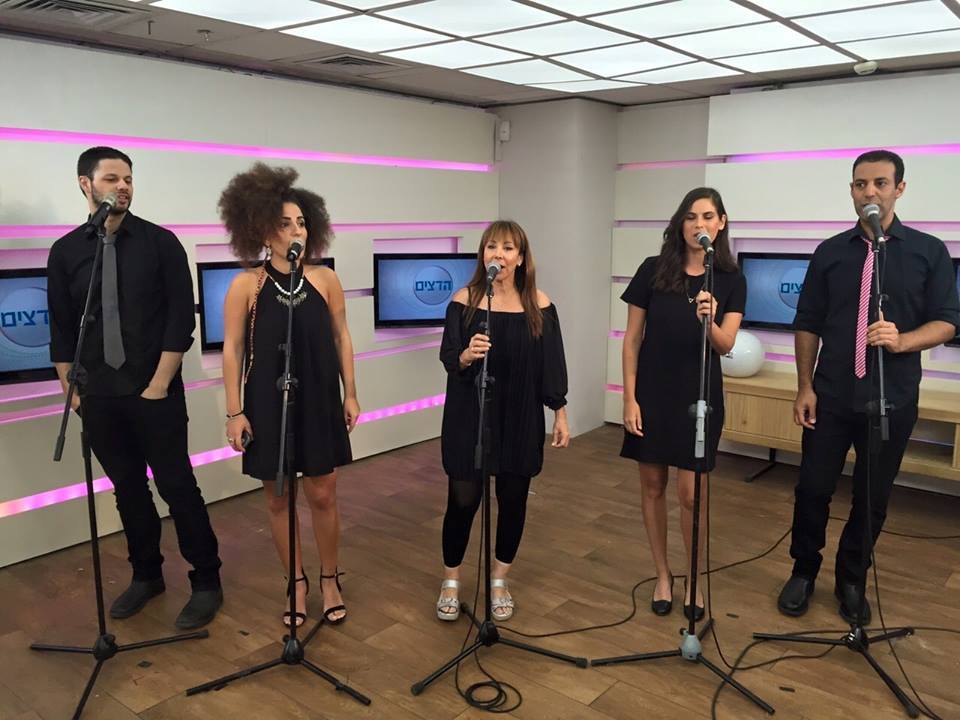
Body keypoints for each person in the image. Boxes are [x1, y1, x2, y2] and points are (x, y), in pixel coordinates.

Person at [777, 150, 960, 623]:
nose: (869, 192)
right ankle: (803, 570)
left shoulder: (928, 252)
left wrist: (903, 340)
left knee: (872, 497)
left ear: (900, 188)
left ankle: (852, 579)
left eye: (880, 183)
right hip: (831, 395)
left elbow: (948, 321)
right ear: (852, 191)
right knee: (813, 488)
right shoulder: (830, 252)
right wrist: (804, 386)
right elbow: (807, 321)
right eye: (861, 184)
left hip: (891, 399)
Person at [47, 147, 223, 629]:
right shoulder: (66, 251)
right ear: (86, 184)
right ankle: (147, 575)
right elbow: (61, 327)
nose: (123, 186)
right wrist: (71, 390)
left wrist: (160, 384)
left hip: (154, 391)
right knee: (127, 489)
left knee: (177, 485)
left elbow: (179, 321)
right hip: (98, 396)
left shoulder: (160, 243)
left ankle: (207, 580)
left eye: (128, 178)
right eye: (111, 178)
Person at [220, 163, 358, 627]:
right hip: (266, 401)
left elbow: (341, 337)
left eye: (301, 222)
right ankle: (295, 582)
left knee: (323, 492)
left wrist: (351, 393)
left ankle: (330, 578)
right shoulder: (246, 285)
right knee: (278, 498)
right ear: (262, 231)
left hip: (318, 396)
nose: (296, 230)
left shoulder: (325, 279)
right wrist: (234, 412)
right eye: (284, 223)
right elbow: (233, 349)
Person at [620, 187, 745, 620]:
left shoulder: (731, 278)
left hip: (700, 397)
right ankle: (662, 575)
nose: (698, 225)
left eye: (707, 216)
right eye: (690, 217)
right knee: (653, 486)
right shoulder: (653, 270)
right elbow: (632, 341)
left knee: (692, 495)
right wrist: (629, 399)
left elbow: (727, 345)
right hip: (652, 392)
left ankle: (693, 578)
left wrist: (709, 322)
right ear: (680, 224)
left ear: (721, 223)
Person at [435, 220, 569, 622]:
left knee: (512, 501)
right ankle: (450, 580)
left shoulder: (539, 305)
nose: (499, 254)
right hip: (469, 414)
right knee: (463, 501)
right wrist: (466, 355)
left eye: (508, 248)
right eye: (492, 246)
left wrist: (559, 411)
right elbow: (449, 357)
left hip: (520, 415)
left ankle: (498, 580)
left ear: (521, 258)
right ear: (483, 255)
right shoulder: (464, 300)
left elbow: (551, 364)